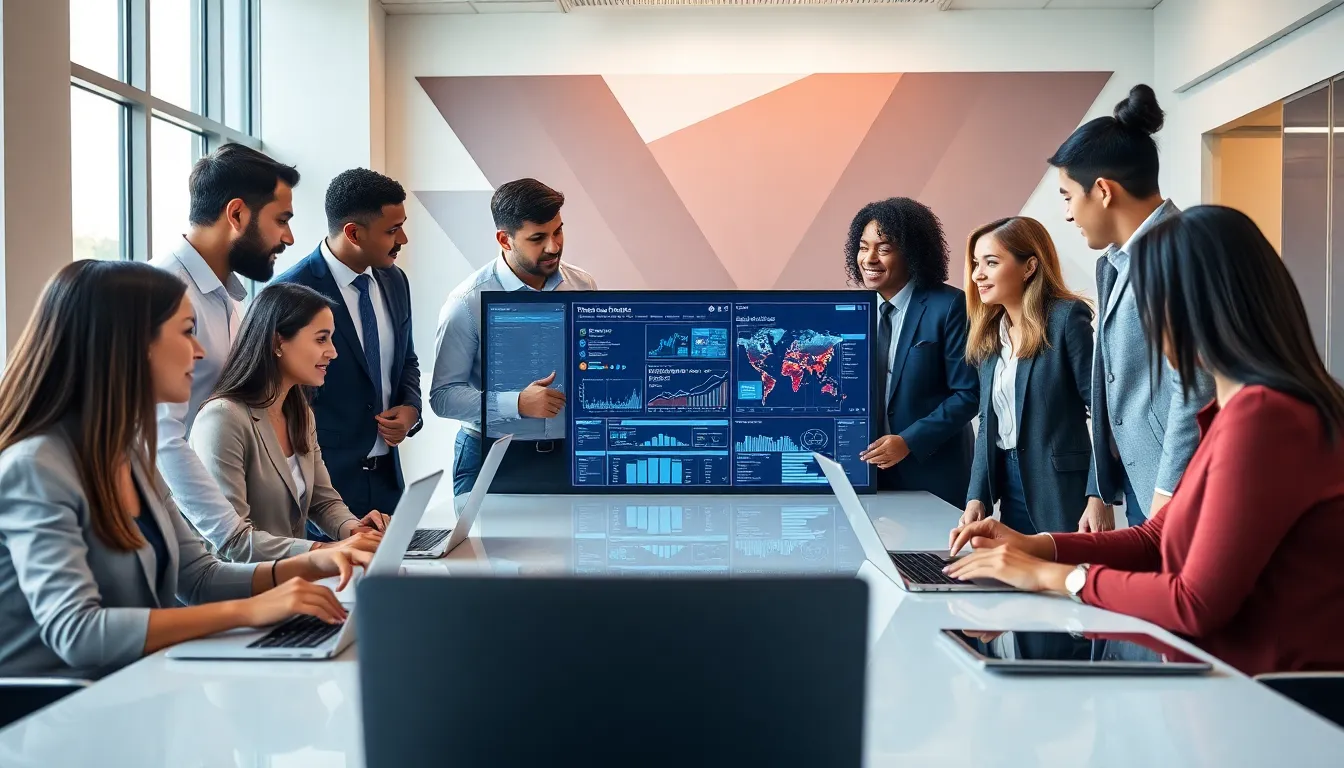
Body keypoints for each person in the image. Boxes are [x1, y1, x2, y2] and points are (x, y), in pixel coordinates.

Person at [946, 207, 1344, 676]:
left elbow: (1194, 602)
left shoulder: (1265, 417)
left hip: (1263, 693)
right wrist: (1038, 547)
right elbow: (1158, 537)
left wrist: (1051, 577)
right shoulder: (1239, 410)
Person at [0, 261, 370, 679]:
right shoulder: (35, 467)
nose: (200, 350)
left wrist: (316, 563)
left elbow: (198, 577)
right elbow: (77, 631)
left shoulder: (130, 454)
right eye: (187, 331)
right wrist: (248, 610)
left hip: (134, 686)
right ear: (133, 344)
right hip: (58, 709)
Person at [152, 143, 365, 561]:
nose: (289, 238)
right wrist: (232, 538)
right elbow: (161, 439)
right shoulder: (163, 292)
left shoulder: (231, 301)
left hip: (232, 547)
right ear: (236, 214)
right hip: (189, 547)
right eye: (281, 220)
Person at [1047, 84, 1213, 527]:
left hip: (1174, 488)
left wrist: (1166, 495)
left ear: (1102, 190)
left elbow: (1194, 391)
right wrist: (1100, 489)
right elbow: (1116, 379)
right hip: (1140, 482)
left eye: (1067, 196)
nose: (1068, 214)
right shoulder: (1115, 262)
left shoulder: (1176, 253)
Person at [431, 178, 597, 496]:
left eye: (558, 231)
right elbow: (443, 396)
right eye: (538, 238)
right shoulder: (466, 302)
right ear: (504, 240)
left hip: (571, 455)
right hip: (492, 457)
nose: (554, 246)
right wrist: (517, 403)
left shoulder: (583, 286)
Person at [191, 283, 389, 546]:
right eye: (321, 339)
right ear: (277, 342)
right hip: (247, 573)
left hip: (298, 569)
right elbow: (234, 542)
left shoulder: (300, 414)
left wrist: (355, 530)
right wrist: (324, 552)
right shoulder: (222, 419)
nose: (333, 352)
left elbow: (322, 501)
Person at [275, 168, 422, 521]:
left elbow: (406, 360)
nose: (403, 239)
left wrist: (411, 409)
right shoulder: (290, 292)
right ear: (354, 233)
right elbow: (281, 393)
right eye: (392, 230)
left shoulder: (395, 281)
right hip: (324, 489)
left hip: (389, 481)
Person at [960, 216, 1108, 538]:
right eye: (976, 263)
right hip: (1009, 484)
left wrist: (1099, 495)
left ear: (1029, 267)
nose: (977, 274)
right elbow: (987, 420)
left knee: (1061, 570)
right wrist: (976, 497)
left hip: (1061, 489)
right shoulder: (990, 333)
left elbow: (1104, 413)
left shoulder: (1066, 318)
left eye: (991, 262)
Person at [848, 197, 978, 506]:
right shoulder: (852, 312)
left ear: (912, 251)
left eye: (883, 249)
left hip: (932, 473)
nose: (869, 259)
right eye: (863, 248)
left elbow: (969, 393)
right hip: (866, 473)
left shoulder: (950, 306)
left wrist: (908, 441)